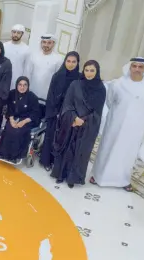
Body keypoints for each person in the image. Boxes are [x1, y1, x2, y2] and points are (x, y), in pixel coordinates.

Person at [91, 57, 144, 191]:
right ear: (129, 67)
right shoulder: (118, 84)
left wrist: (138, 121)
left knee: (128, 153)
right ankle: (98, 176)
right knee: (107, 148)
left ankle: (123, 180)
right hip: (115, 122)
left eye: (141, 67)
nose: (137, 69)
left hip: (135, 127)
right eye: (134, 66)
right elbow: (110, 101)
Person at [51, 60, 106, 188]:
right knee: (66, 148)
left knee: (80, 152)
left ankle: (73, 178)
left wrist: (83, 120)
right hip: (71, 122)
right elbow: (67, 103)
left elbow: (97, 112)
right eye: (86, 70)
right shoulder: (75, 84)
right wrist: (74, 118)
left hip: (87, 126)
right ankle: (61, 174)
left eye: (92, 70)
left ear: (97, 72)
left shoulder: (100, 89)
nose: (89, 73)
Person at [39, 51, 80, 170]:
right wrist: (54, 112)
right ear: (64, 62)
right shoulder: (57, 76)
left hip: (70, 114)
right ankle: (46, 161)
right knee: (51, 137)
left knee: (64, 139)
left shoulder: (79, 78)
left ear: (77, 63)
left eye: (74, 62)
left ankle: (59, 165)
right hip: (55, 112)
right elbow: (51, 95)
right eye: (68, 61)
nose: (71, 64)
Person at [0, 76, 41, 162]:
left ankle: (16, 156)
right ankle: (3, 153)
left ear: (28, 86)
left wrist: (23, 122)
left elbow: (35, 113)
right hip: (14, 117)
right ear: (17, 85)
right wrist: (12, 120)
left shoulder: (32, 97)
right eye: (20, 84)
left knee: (18, 131)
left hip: (27, 120)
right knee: (9, 129)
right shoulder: (12, 94)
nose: (22, 87)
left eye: (25, 85)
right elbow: (9, 108)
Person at [25, 34, 63, 100]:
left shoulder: (58, 59)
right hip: (32, 93)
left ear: (53, 44)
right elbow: (27, 74)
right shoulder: (34, 56)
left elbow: (58, 79)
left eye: (49, 43)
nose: (46, 45)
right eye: (44, 42)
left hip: (47, 96)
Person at [3, 24, 29, 90]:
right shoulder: (4, 46)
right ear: (11, 33)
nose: (15, 35)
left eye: (18, 33)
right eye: (14, 32)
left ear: (22, 34)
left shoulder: (26, 49)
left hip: (18, 79)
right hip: (3, 78)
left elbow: (26, 68)